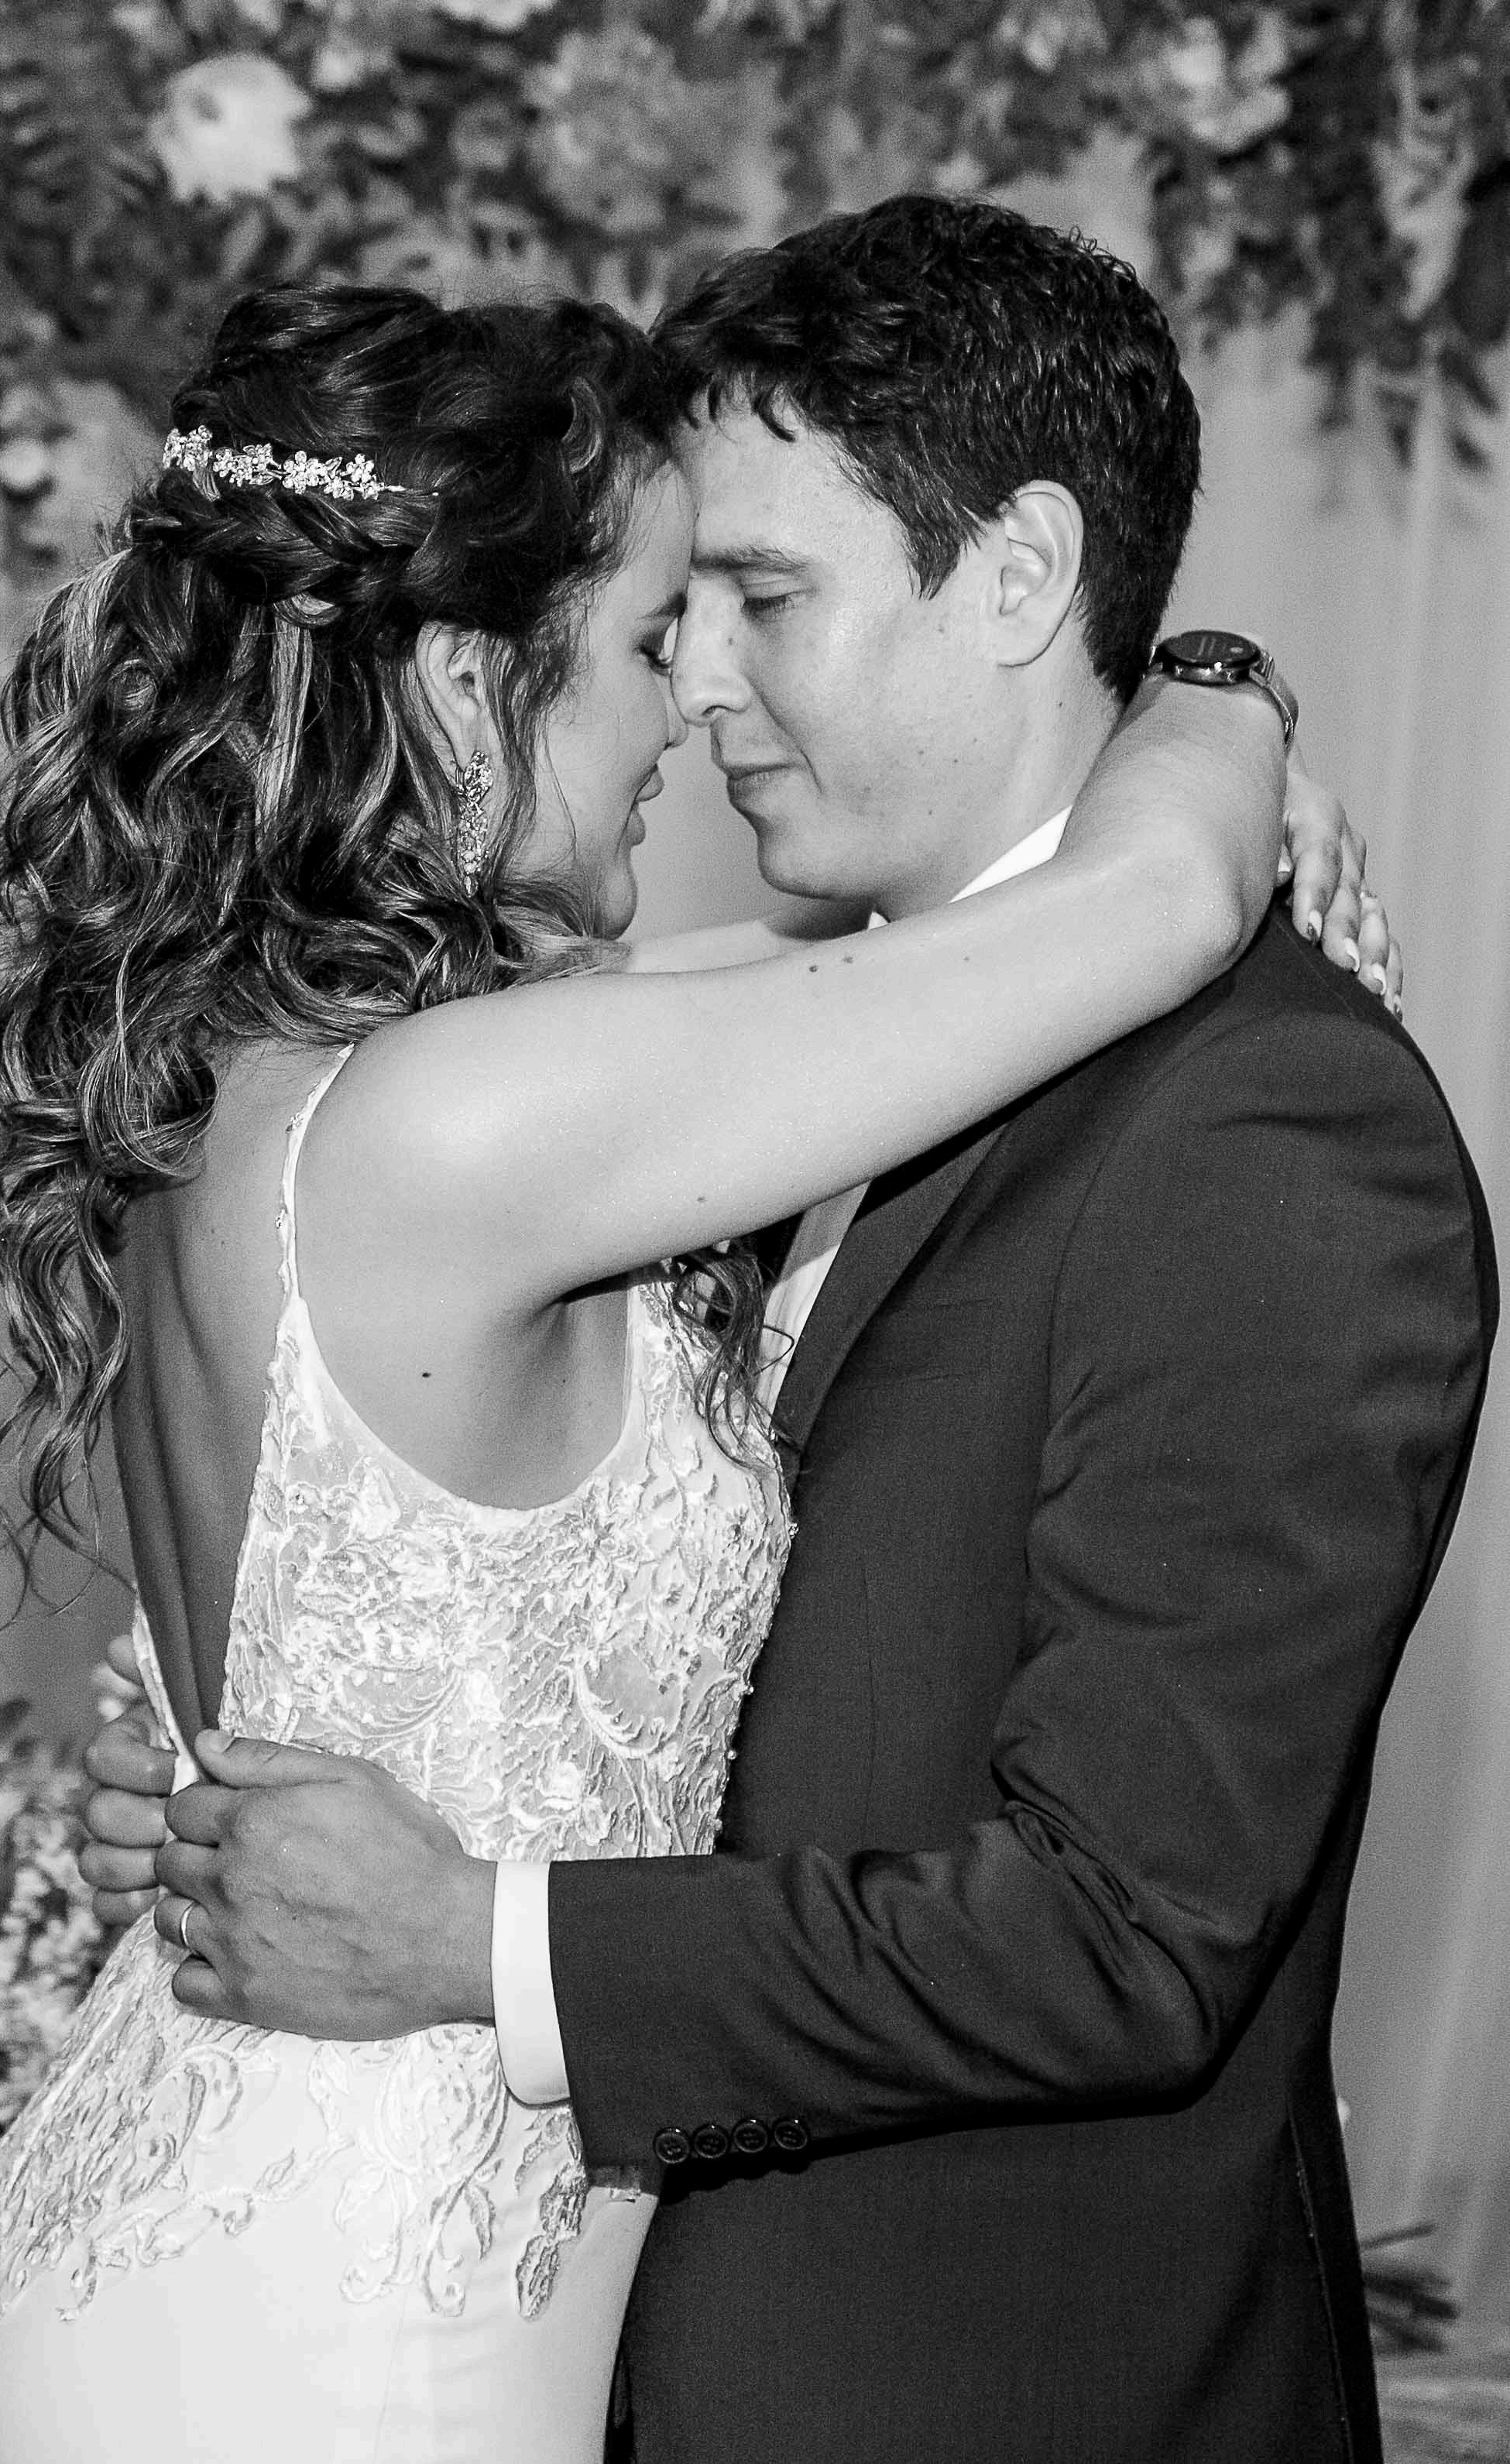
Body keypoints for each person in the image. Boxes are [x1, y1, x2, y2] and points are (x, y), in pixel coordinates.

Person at [82, 201, 1496, 2462]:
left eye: (759, 598)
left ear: (1017, 580)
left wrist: (473, 1933)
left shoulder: (1263, 1125)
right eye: (670, 622)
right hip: (485, 2330)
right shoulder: (708, 1073)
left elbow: (1125, 1936)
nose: (701, 689)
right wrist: (1221, 711)